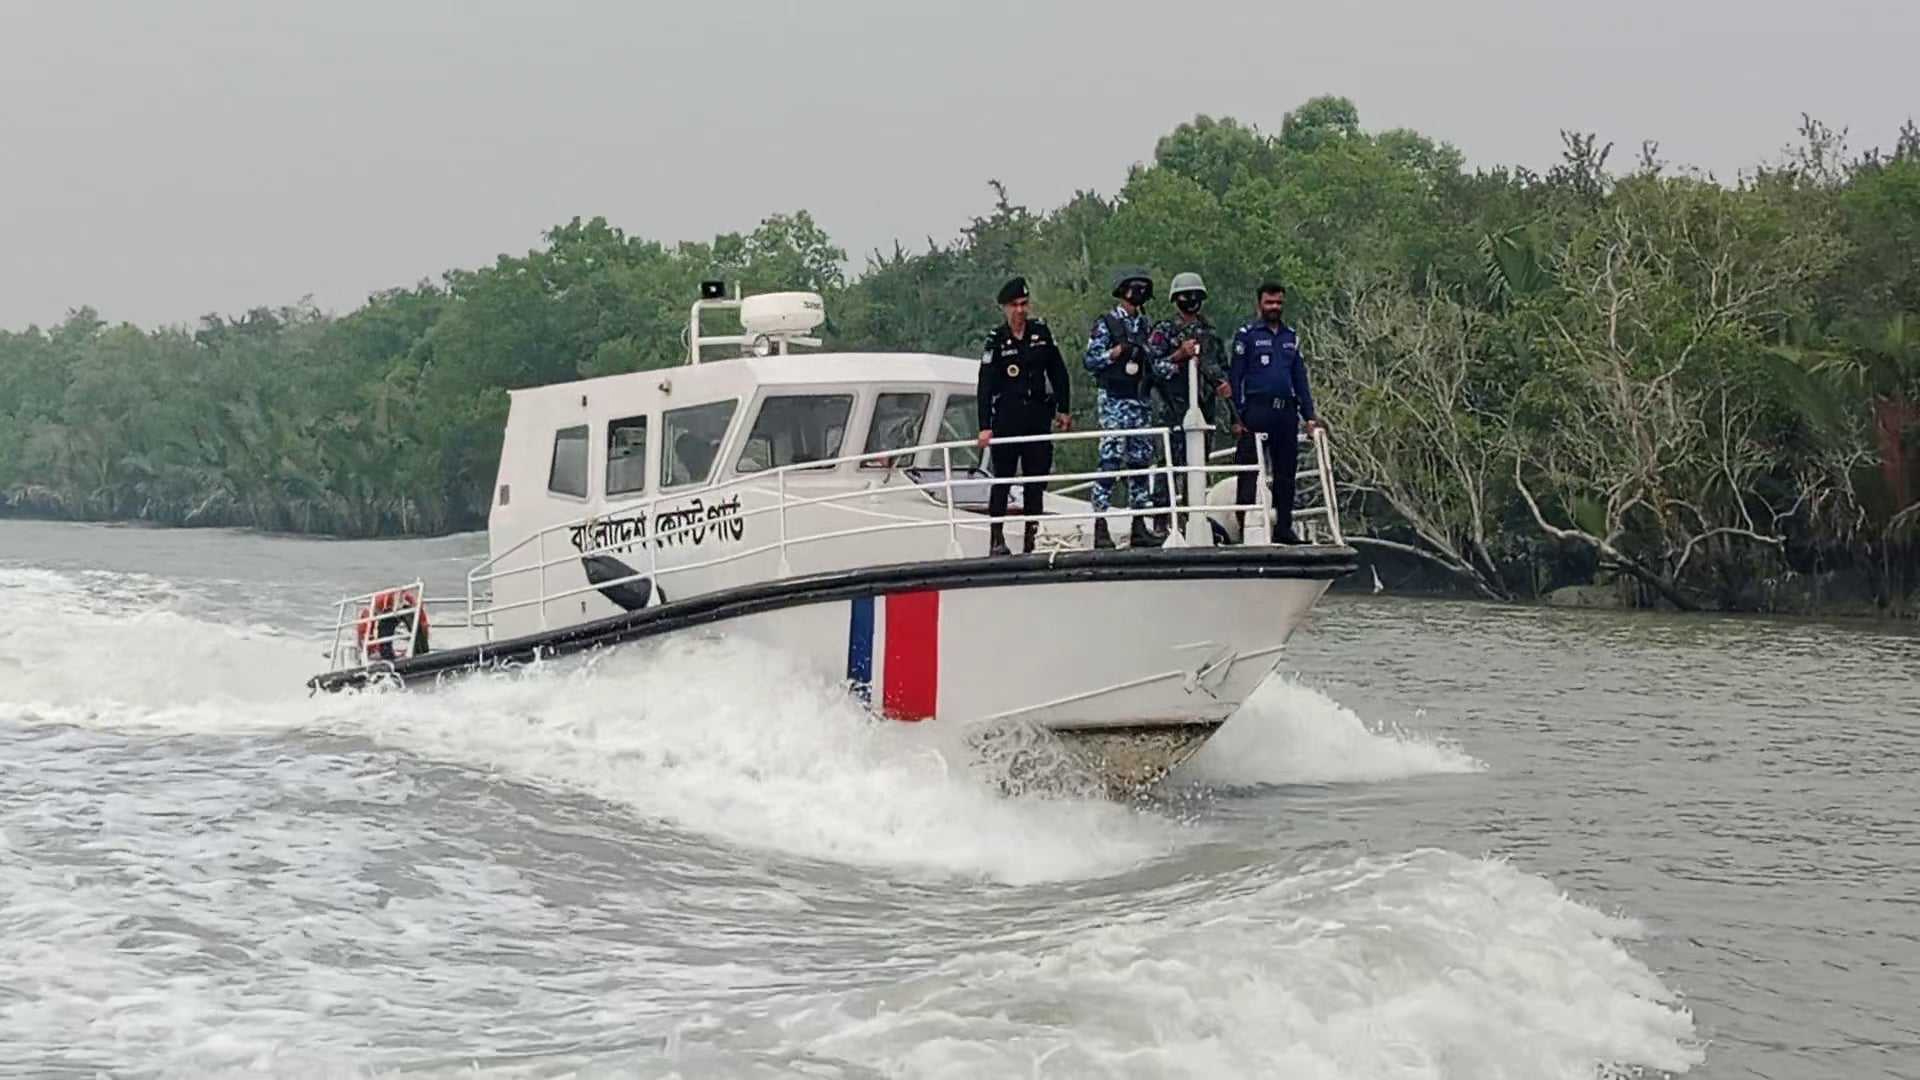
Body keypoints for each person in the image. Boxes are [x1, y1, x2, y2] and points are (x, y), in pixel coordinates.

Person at [976, 276, 1073, 555]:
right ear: (1005, 308)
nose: (1020, 310)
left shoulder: (1040, 333)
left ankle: (1032, 536)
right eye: (1014, 305)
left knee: (1035, 480)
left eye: (1024, 304)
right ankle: (997, 538)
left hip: (1037, 417)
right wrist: (984, 426)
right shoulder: (996, 340)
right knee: (1003, 478)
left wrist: (1064, 408)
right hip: (1008, 417)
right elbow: (985, 386)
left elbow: (1058, 371)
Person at [1228, 281, 1325, 544]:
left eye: (1279, 302)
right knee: (1248, 471)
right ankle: (1244, 527)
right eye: (1269, 302)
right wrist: (1236, 416)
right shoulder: (1247, 335)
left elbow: (1300, 380)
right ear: (1259, 304)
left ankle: (1284, 526)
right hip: (1256, 411)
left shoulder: (1291, 337)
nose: (1274, 307)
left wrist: (1309, 417)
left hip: (1286, 413)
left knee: (1286, 473)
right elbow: (1235, 378)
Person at [1083, 267, 1164, 550]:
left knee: (1140, 462)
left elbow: (1155, 361)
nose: (1138, 294)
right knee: (1110, 460)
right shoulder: (1107, 323)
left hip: (1139, 400)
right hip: (1114, 401)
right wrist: (1114, 353)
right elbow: (1090, 360)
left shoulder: (1146, 326)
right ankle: (1100, 523)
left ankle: (1139, 524)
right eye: (1134, 288)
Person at [1146, 271, 1232, 531]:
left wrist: (1224, 386)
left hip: (1203, 410)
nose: (1191, 300)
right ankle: (1162, 520)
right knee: (1169, 464)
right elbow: (1151, 369)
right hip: (1172, 408)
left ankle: (1192, 517)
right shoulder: (1163, 331)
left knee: (1198, 465)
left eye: (1195, 296)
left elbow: (1221, 368)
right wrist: (1178, 356)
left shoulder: (1210, 334)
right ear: (1175, 299)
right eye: (1185, 296)